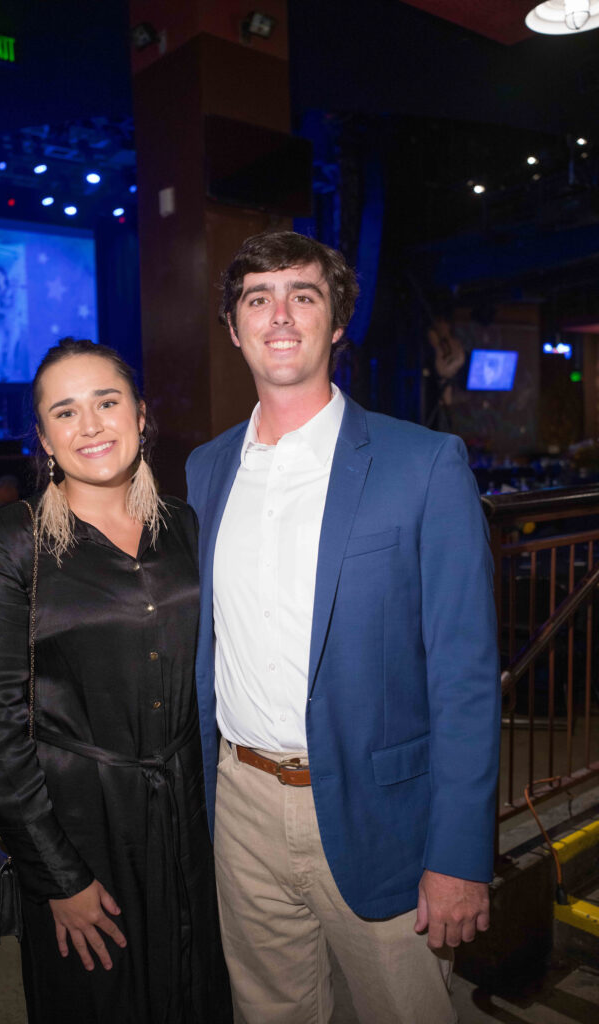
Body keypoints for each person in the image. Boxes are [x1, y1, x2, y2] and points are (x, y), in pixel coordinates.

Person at [185, 231, 500, 1024]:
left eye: (304, 295)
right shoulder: (205, 470)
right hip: (241, 803)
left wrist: (460, 854)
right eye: (258, 298)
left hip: (380, 811)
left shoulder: (424, 463)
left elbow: (463, 675)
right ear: (233, 328)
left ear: (337, 324)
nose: (280, 314)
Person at [0, 338, 230, 1024]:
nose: (91, 425)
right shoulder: (10, 542)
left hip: (189, 817)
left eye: (107, 403)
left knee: (198, 991)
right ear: (44, 438)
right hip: (79, 826)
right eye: (66, 411)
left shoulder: (185, 526)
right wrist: (59, 876)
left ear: (140, 415)